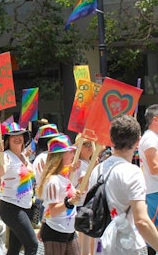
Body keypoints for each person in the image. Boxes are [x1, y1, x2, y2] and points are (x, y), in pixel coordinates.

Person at [89, 115, 158, 254]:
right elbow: (142, 221)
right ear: (138, 141)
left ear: (112, 140)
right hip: (127, 247)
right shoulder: (133, 172)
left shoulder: (97, 170)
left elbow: (89, 215)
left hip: (101, 246)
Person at [0, 122, 38, 255]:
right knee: (32, 245)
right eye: (13, 136)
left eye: (20, 135)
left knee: (14, 248)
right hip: (12, 208)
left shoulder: (23, 156)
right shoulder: (6, 155)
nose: (18, 137)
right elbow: (0, 172)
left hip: (25, 207)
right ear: (8, 139)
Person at [36, 134, 81, 255]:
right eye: (70, 152)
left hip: (69, 230)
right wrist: (70, 202)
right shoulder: (53, 181)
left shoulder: (61, 176)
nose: (73, 155)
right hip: (55, 232)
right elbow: (53, 211)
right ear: (60, 156)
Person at [138, 104, 158, 255]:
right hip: (154, 193)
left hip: (153, 192)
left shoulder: (152, 138)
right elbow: (154, 167)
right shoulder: (150, 139)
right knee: (152, 235)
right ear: (155, 120)